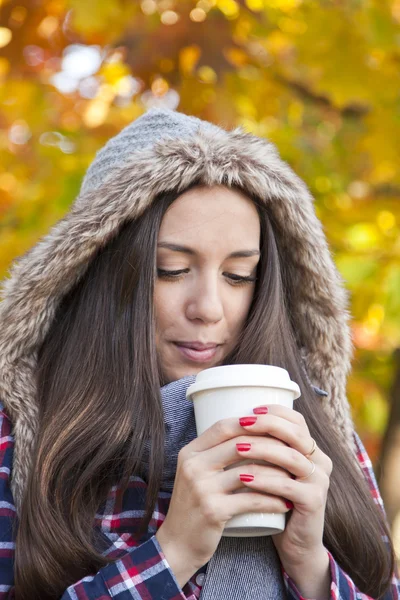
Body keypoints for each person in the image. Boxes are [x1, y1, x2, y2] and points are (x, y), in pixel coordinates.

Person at [0, 107, 398, 600]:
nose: (209, 309)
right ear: (102, 274)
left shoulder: (316, 426)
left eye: (238, 276)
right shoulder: (24, 428)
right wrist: (174, 553)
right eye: (170, 269)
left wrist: (311, 565)